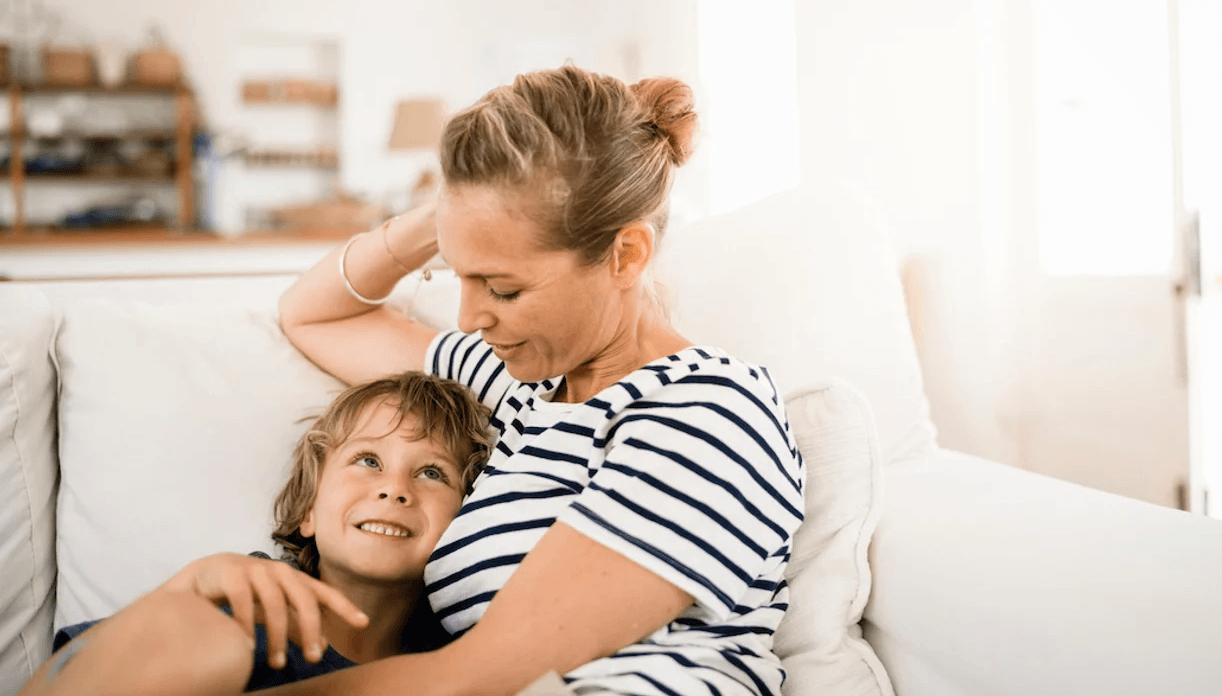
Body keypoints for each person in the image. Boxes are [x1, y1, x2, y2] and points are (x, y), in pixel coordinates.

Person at [273, 63, 805, 696]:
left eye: (503, 287)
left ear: (625, 255)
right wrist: (449, 212)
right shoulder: (515, 388)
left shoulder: (711, 413)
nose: (470, 318)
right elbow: (314, 315)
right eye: (459, 275)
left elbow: (478, 675)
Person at [18, 372, 492, 696]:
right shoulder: (238, 600)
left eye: (432, 473)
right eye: (368, 461)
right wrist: (186, 589)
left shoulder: (465, 648)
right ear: (309, 508)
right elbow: (58, 679)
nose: (394, 489)